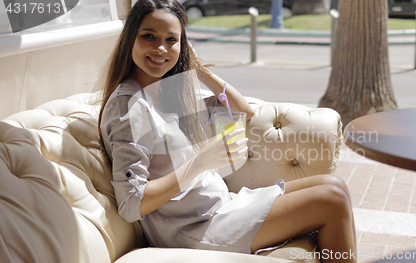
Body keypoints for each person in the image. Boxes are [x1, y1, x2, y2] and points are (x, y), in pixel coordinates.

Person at [98, 0, 356, 262]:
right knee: (331, 200)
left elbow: (244, 111)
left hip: (223, 207)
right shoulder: (128, 108)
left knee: (334, 185)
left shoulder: (166, 92)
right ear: (130, 38)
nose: (161, 48)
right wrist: (201, 161)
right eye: (149, 36)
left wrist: (198, 68)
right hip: (194, 230)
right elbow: (131, 204)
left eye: (171, 39)